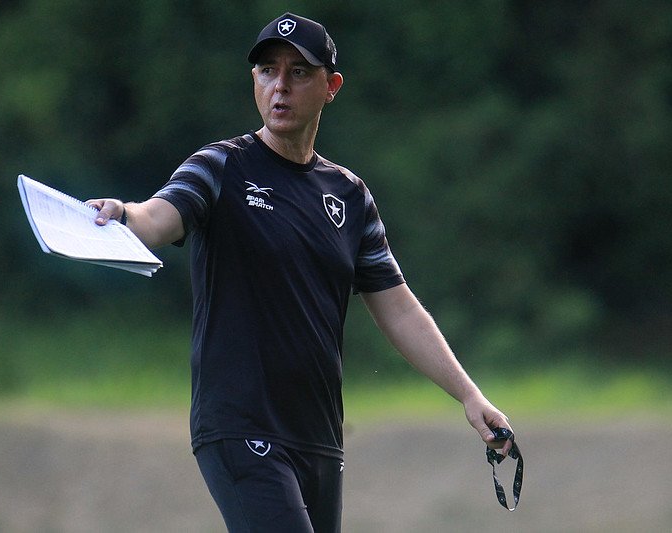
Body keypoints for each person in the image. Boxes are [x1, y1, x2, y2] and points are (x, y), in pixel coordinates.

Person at [88, 12, 513, 533]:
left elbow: (398, 307)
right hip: (239, 426)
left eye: (298, 72)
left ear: (330, 86)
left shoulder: (350, 196)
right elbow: (158, 217)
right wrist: (124, 213)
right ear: (254, 81)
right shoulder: (220, 167)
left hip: (318, 437)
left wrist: (470, 395)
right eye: (268, 71)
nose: (280, 86)